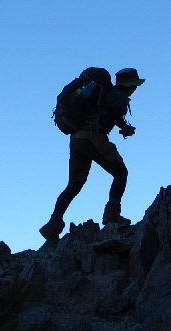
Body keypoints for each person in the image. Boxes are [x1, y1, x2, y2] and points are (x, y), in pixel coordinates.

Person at [40, 67, 145, 241]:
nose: (135, 88)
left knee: (74, 184)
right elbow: (115, 114)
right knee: (120, 172)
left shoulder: (98, 93)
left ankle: (54, 223)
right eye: (135, 85)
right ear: (131, 85)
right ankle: (112, 214)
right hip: (93, 136)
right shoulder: (119, 95)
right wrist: (125, 127)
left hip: (76, 139)